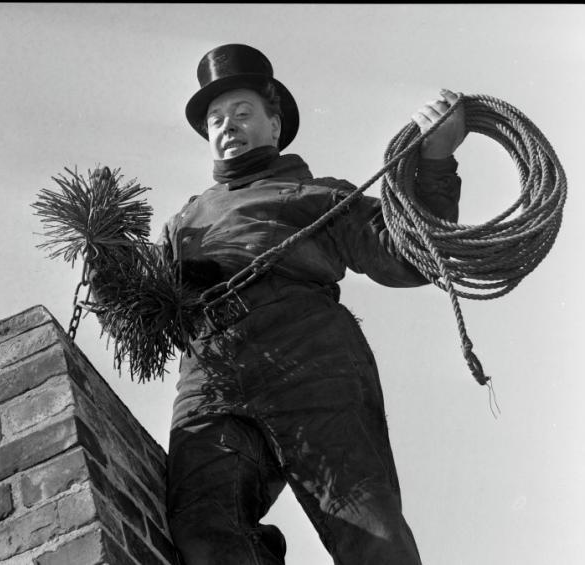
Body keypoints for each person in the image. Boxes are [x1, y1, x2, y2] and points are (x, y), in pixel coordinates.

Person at [161, 44, 466, 565]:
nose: (227, 126)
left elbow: (409, 257)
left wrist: (436, 161)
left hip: (309, 360)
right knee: (202, 524)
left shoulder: (318, 194)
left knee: (366, 527)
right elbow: (142, 314)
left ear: (275, 125)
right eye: (216, 119)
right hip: (211, 381)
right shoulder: (180, 224)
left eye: (242, 113)